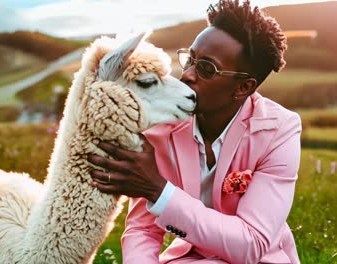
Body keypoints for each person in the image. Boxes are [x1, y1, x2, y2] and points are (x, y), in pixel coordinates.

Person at [87, 0, 301, 263]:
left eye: (206, 68)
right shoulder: (161, 127)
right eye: (191, 59)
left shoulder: (279, 131)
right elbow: (142, 230)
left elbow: (252, 243)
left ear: (243, 88)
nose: (187, 74)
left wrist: (159, 191)